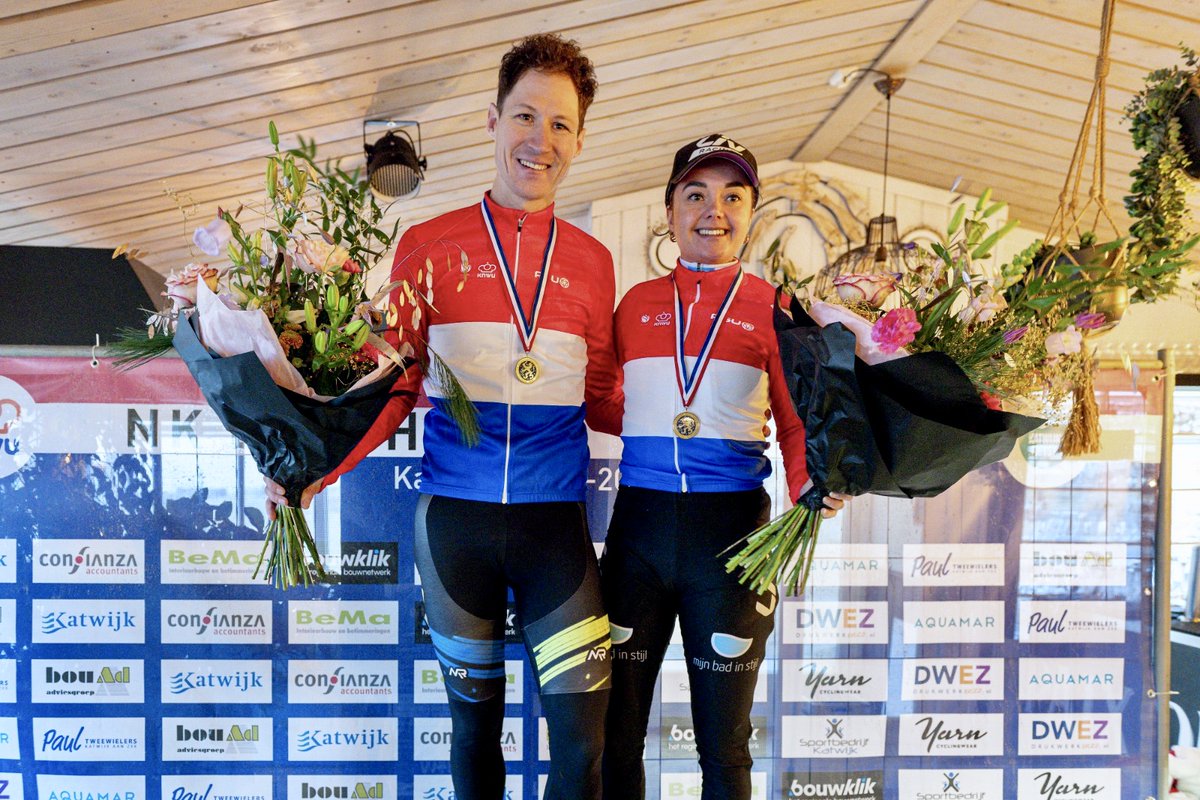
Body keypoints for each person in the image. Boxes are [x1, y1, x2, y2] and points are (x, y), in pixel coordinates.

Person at [267, 33, 617, 800]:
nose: (541, 140)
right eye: (527, 116)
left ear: (581, 139)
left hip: (553, 524)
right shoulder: (428, 246)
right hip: (455, 524)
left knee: (581, 745)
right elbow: (388, 387)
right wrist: (315, 467)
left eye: (560, 125)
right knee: (472, 733)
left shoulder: (594, 260)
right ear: (492, 121)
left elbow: (606, 391)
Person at [596, 134, 847, 799]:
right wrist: (651, 428)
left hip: (733, 539)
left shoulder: (775, 309)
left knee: (725, 748)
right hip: (639, 533)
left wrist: (814, 486)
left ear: (752, 210)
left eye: (733, 196)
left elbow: (798, 422)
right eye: (696, 194)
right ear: (671, 211)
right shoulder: (635, 304)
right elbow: (600, 397)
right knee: (613, 738)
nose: (715, 210)